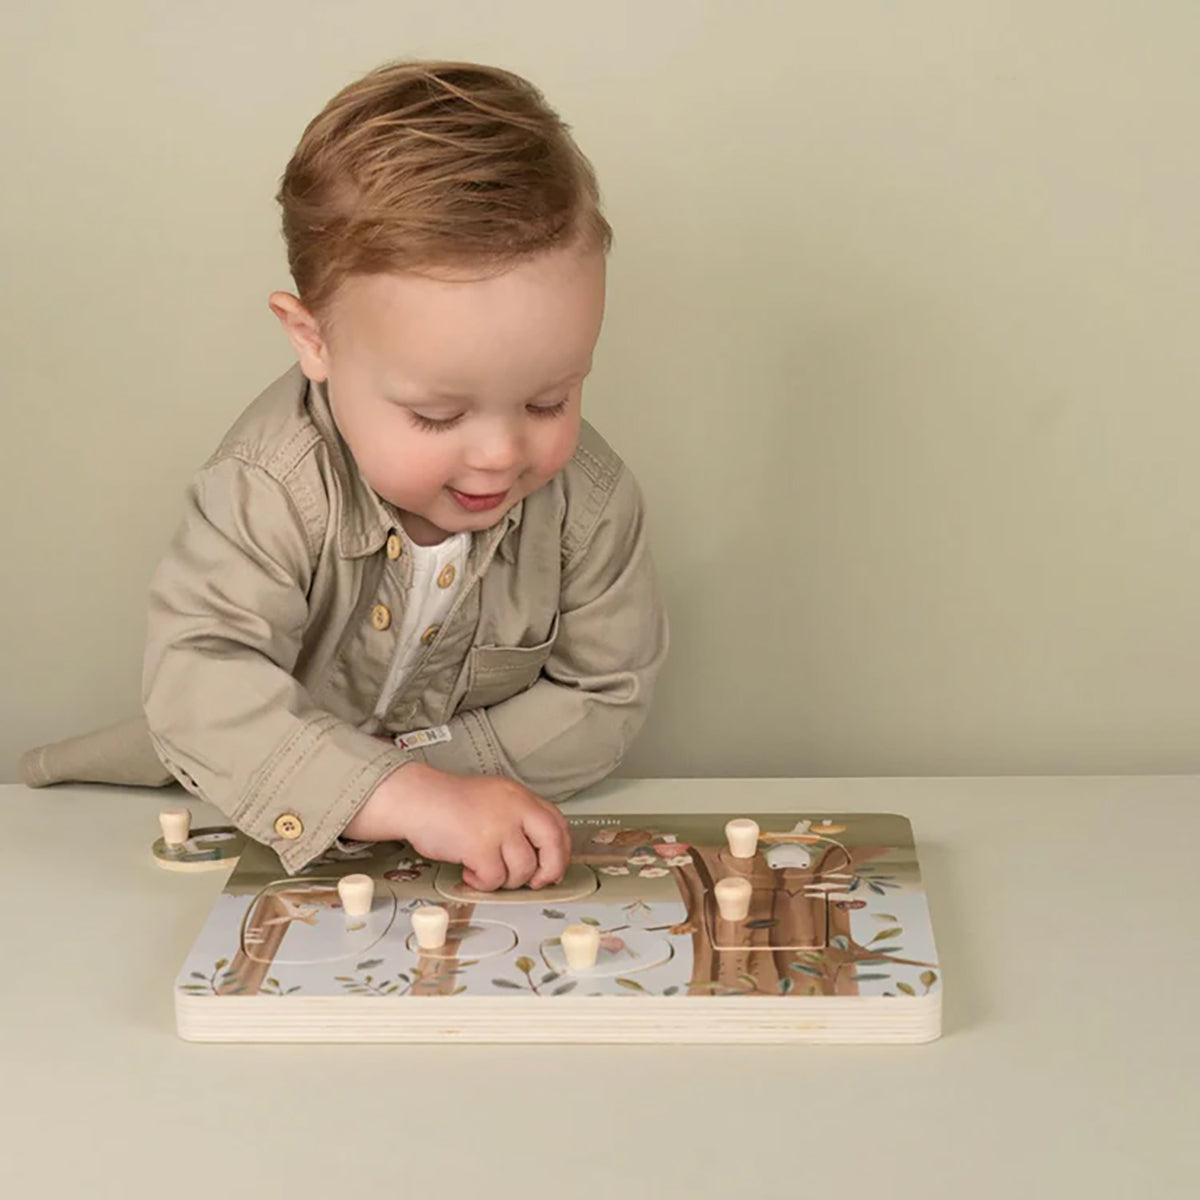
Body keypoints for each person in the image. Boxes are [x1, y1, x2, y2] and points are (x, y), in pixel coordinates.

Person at [20, 59, 668, 889]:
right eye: (437, 415)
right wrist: (402, 795)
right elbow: (200, 681)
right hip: (205, 813)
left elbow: (607, 693)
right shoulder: (269, 484)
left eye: (550, 399)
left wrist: (432, 782)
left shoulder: (592, 501)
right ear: (312, 340)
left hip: (458, 845)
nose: (503, 454)